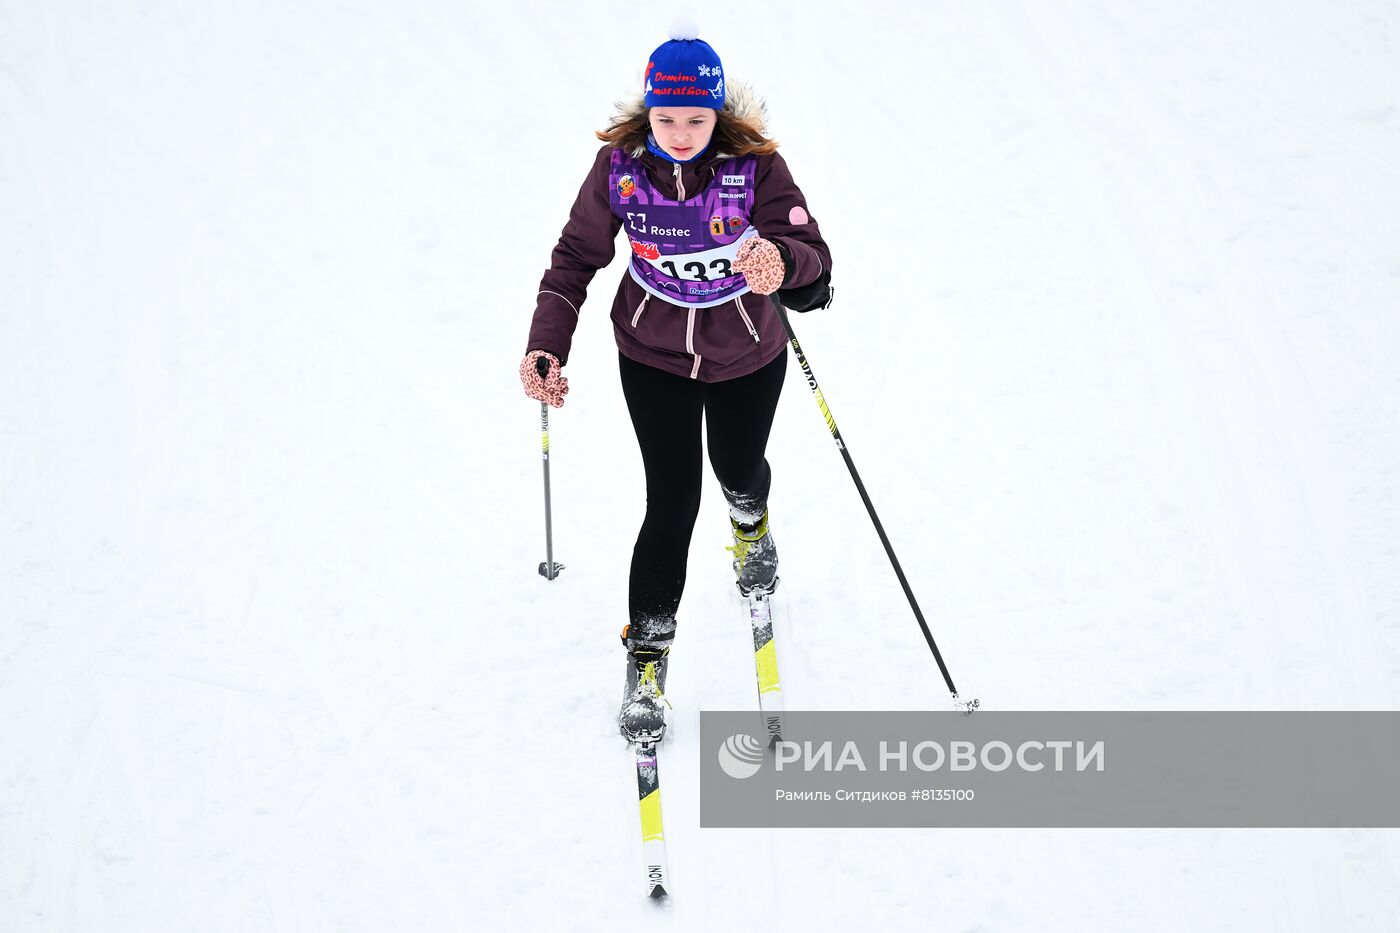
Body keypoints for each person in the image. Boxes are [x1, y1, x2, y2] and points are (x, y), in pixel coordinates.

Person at [519, 19, 833, 745]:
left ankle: (752, 524)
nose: (682, 133)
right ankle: (649, 661)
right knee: (671, 502)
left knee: (737, 468)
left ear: (718, 113)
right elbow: (572, 260)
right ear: (648, 111)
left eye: (697, 118)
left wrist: (782, 263)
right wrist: (546, 346)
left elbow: (814, 257)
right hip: (652, 354)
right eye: (667, 118)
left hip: (747, 353)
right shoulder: (620, 170)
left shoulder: (755, 167)